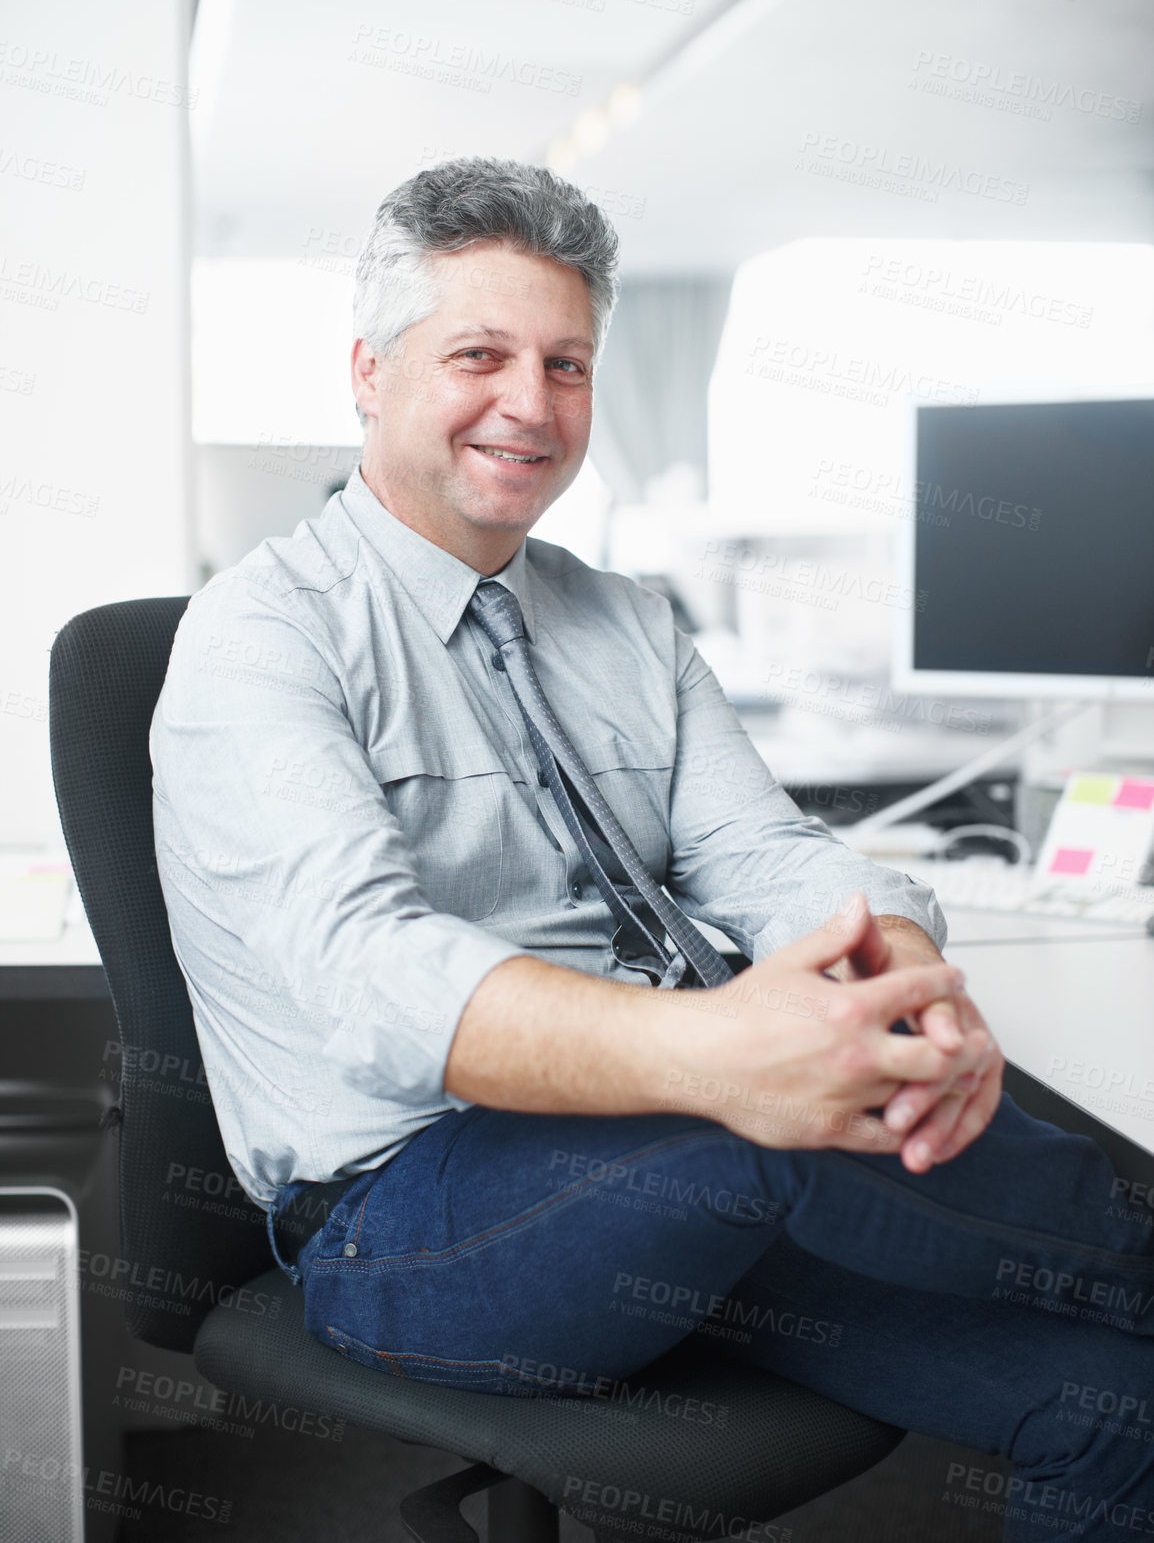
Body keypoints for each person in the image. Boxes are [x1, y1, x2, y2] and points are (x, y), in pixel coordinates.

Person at [151, 159, 1154, 1541]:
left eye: (566, 364)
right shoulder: (261, 636)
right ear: (369, 375)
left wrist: (905, 972)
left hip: (673, 1170)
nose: (529, 402)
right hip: (408, 1222)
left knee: (1114, 1409)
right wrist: (728, 1056)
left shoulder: (622, 623)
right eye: (478, 355)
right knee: (771, 1120)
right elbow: (371, 978)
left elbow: (762, 850)